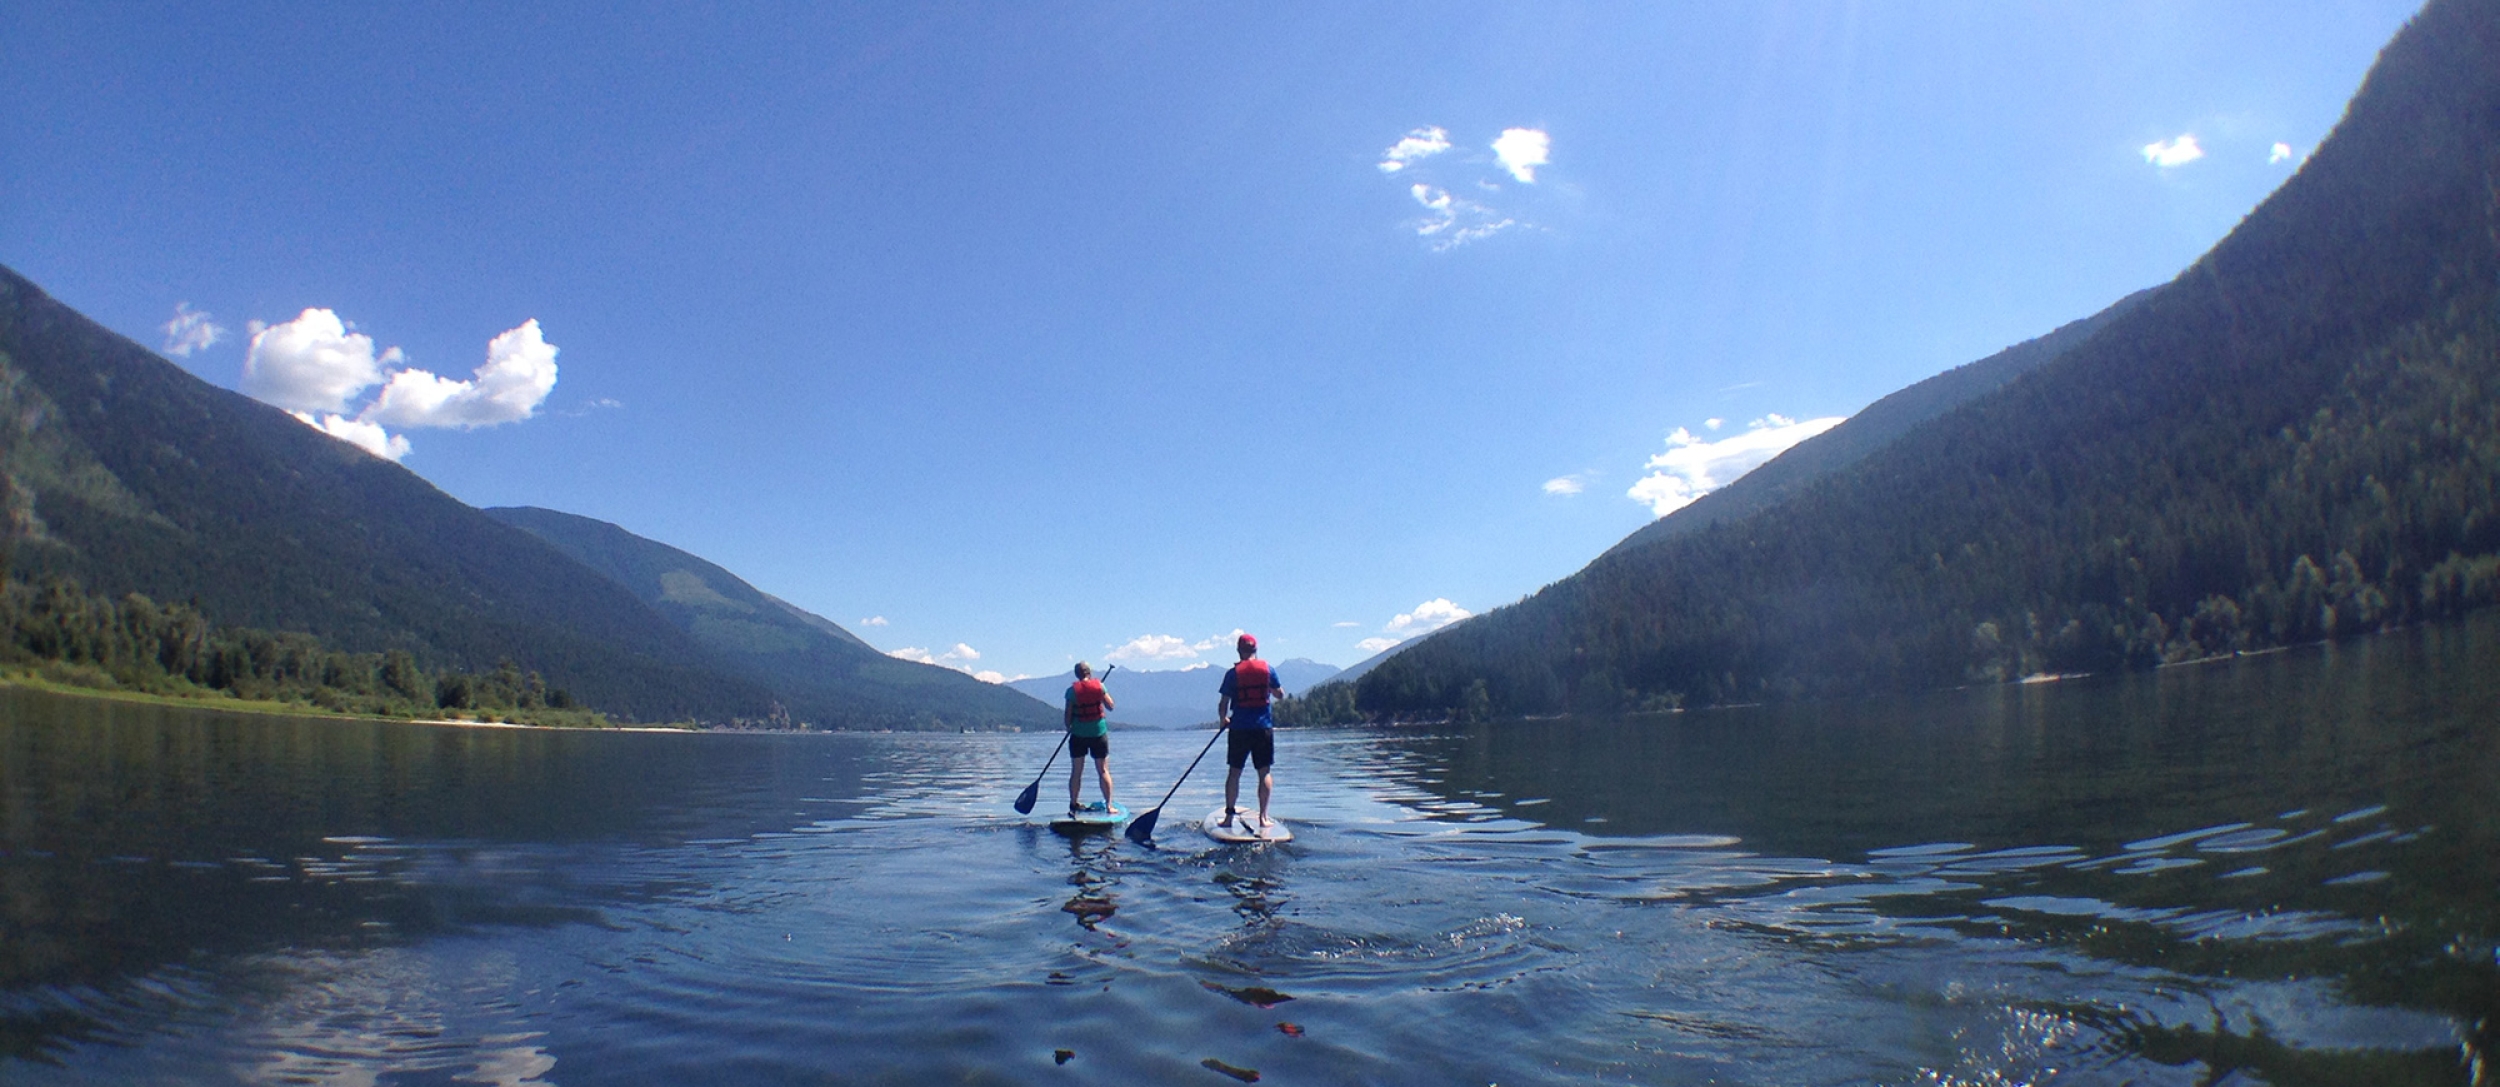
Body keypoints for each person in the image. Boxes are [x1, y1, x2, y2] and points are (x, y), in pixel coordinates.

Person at [1215, 633, 1283, 830]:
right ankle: (1263, 817)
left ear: (1238, 650)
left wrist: (1223, 720)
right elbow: (1280, 694)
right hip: (1263, 728)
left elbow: (1224, 703)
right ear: (1256, 650)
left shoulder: (1232, 674)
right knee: (1264, 772)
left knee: (1234, 773)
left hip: (1239, 729)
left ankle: (1228, 817)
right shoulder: (1268, 669)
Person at [1064, 662, 1115, 814]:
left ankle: (1073, 804)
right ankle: (1109, 806)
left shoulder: (1072, 691)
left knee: (1076, 771)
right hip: (1098, 734)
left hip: (1078, 735)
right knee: (1103, 770)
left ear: (1077, 674)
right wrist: (1099, 695)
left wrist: (1069, 728)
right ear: (1089, 672)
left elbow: (1067, 715)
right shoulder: (1099, 686)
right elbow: (1111, 706)